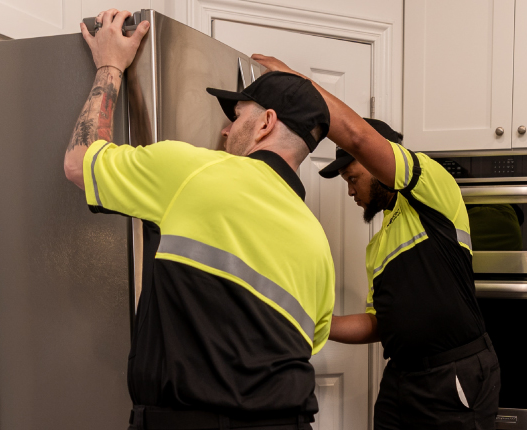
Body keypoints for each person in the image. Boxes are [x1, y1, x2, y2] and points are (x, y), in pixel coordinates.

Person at [61, 10, 335, 430]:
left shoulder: (195, 172)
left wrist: (109, 66)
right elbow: (300, 343)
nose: (226, 131)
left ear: (266, 123)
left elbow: (79, 163)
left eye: (237, 116)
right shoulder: (318, 242)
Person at [252, 55, 501, 429]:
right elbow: (378, 323)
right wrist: (311, 322)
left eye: (353, 178)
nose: (351, 191)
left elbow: (358, 138)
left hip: (453, 373)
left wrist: (297, 83)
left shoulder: (431, 188)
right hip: (402, 376)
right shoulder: (379, 245)